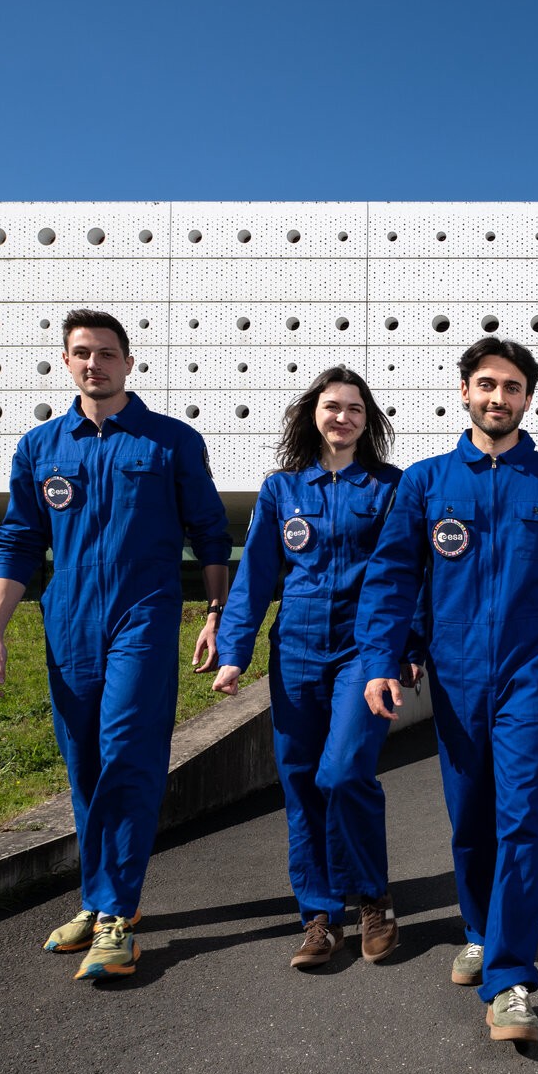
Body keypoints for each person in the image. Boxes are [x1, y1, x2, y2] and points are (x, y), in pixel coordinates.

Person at [355, 336, 538, 1044]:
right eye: (488, 384)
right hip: (456, 672)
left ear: (528, 399)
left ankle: (510, 979)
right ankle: (479, 929)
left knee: (520, 817)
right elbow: (393, 576)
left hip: (530, 670)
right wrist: (381, 659)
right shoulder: (426, 483)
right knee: (469, 818)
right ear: (463, 391)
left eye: (513, 387)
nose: (499, 397)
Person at [0, 308, 231, 981]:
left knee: (127, 756)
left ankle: (116, 915)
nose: (95, 363)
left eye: (107, 353)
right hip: (67, 622)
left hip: (142, 617)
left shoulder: (170, 441)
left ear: (128, 363)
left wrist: (216, 615)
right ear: (66, 362)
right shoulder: (40, 447)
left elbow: (210, 532)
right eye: (83, 352)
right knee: (84, 764)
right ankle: (98, 899)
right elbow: (18, 541)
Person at [211, 366, 422, 970]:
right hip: (297, 650)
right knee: (301, 781)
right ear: (313, 414)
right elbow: (256, 575)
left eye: (355, 409)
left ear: (368, 421)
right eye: (333, 406)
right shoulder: (282, 489)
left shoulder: (390, 487)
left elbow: (411, 573)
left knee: (344, 772)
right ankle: (320, 916)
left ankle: (372, 898)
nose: (343, 417)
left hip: (365, 650)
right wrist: (234, 651)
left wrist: (408, 647)